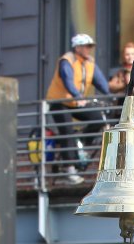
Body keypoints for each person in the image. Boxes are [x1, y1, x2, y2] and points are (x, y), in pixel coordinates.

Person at [45, 33, 111, 184]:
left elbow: (102, 84)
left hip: (76, 102)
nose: (89, 49)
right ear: (77, 48)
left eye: (90, 47)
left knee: (98, 119)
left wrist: (112, 95)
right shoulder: (67, 60)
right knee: (67, 130)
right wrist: (77, 95)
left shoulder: (90, 63)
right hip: (59, 102)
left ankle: (80, 141)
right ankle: (70, 170)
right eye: (86, 46)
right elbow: (68, 81)